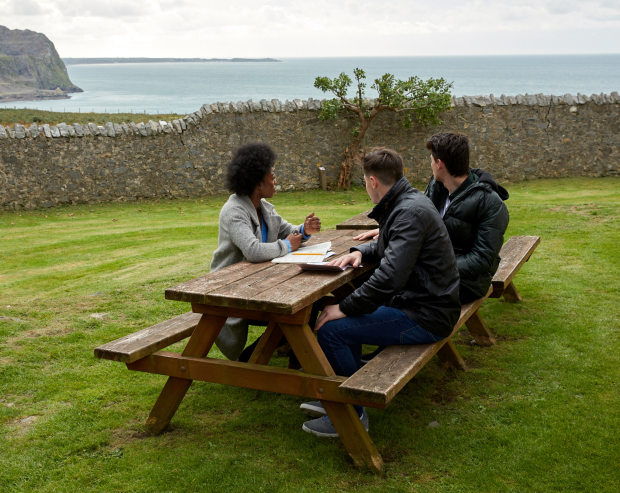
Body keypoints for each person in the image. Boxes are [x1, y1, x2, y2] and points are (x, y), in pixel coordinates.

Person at [301, 148, 460, 438]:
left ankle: (351, 413)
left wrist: (344, 307)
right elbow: (397, 248)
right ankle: (340, 397)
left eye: (364, 181)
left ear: (373, 181)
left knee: (331, 328)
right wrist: (361, 251)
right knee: (339, 318)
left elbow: (389, 278)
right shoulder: (406, 203)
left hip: (426, 315)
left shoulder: (407, 211)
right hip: (424, 304)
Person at [353, 133, 510, 363]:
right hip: (435, 274)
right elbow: (417, 230)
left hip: (466, 282)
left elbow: (483, 259)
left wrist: (434, 268)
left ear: (439, 164)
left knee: (394, 285)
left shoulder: (489, 203)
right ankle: (373, 351)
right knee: (383, 280)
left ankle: (373, 357)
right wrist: (372, 243)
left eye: (430, 158)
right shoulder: (435, 188)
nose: (430, 163)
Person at [211, 142, 321, 361]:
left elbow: (288, 231)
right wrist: (288, 246)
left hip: (259, 282)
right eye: (272, 175)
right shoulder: (234, 212)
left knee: (309, 301)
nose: (275, 179)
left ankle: (295, 359)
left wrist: (303, 230)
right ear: (259, 183)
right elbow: (252, 251)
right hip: (231, 289)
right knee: (296, 307)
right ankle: (251, 359)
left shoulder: (265, 208)